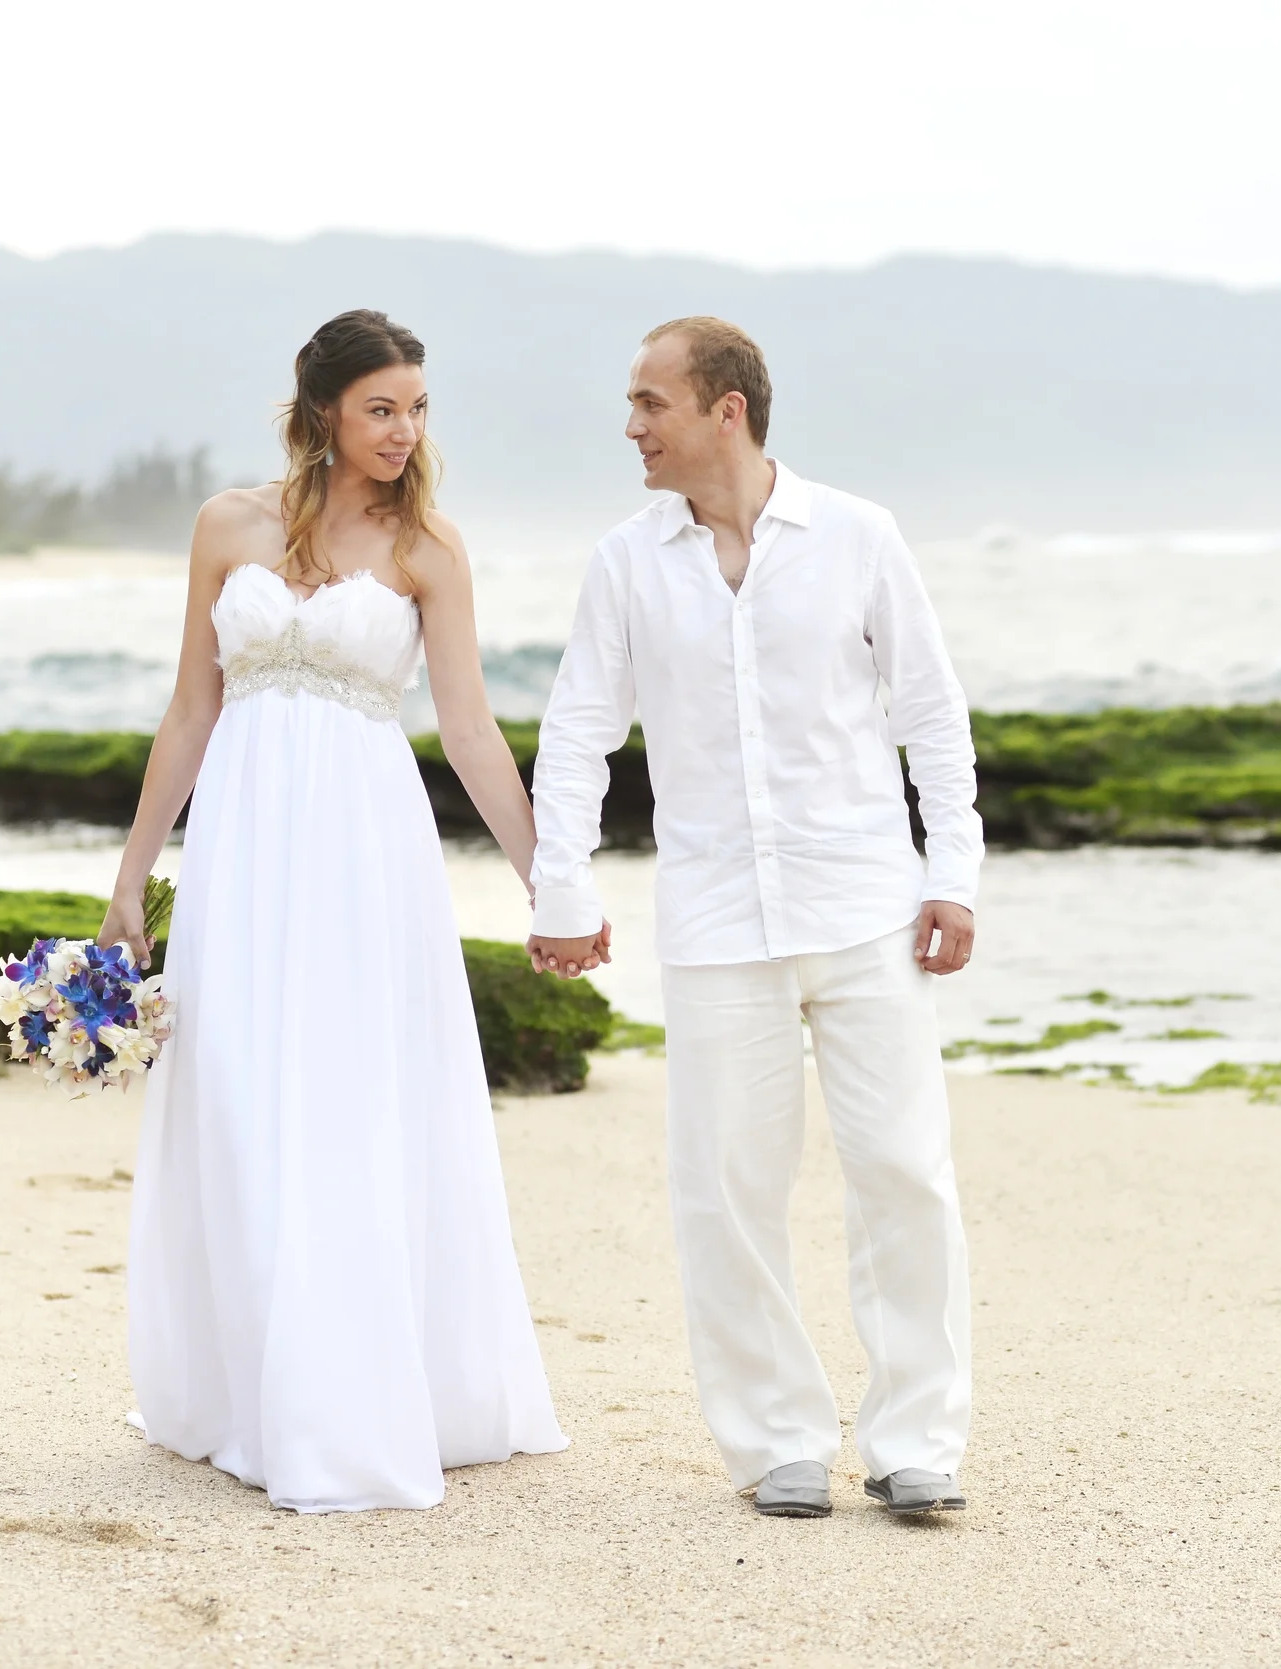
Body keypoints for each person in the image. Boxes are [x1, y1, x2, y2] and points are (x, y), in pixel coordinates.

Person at [99, 309, 567, 1512]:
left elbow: (468, 730)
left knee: (352, 1095)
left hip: (366, 849)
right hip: (246, 849)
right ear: (320, 412)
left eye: (416, 407)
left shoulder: (428, 550)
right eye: (380, 408)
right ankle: (249, 1383)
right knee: (244, 1092)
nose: (404, 431)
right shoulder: (227, 526)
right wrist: (129, 882)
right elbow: (190, 712)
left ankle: (353, 1391)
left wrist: (544, 876)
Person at [527, 317, 982, 1519]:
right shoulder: (627, 561)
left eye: (649, 403)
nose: (630, 426)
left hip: (866, 905)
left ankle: (914, 1438)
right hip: (718, 918)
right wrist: (565, 888)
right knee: (727, 1186)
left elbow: (931, 713)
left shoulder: (857, 536)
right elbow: (579, 732)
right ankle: (776, 1433)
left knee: (904, 1173)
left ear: (725, 409)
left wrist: (956, 873)